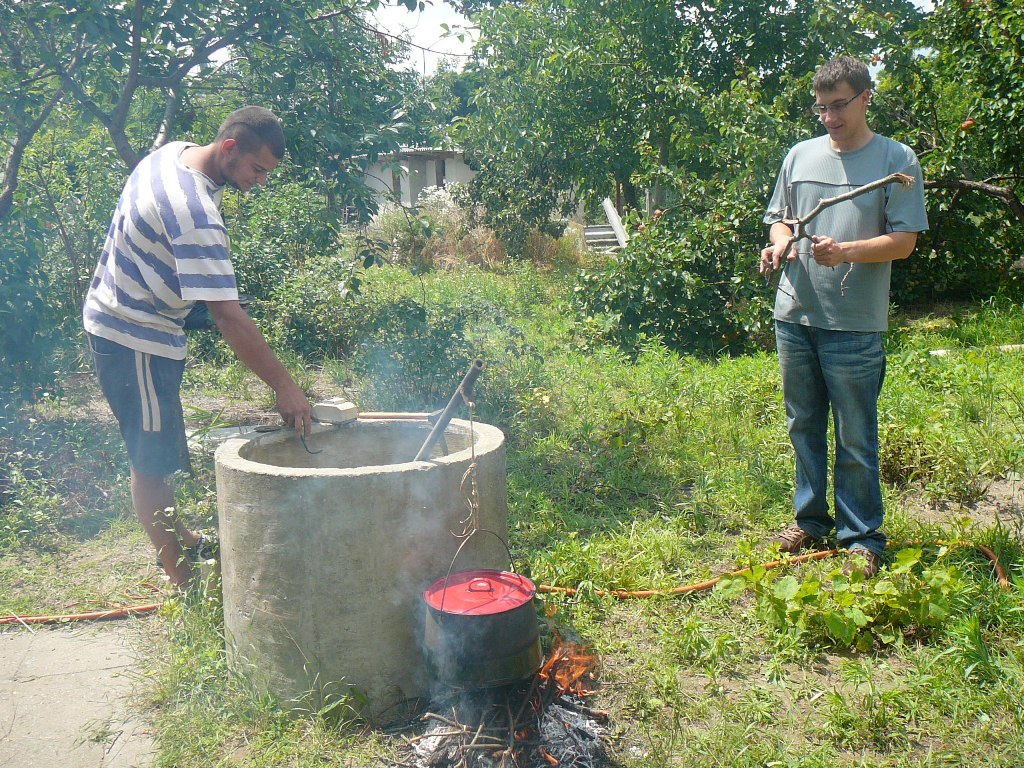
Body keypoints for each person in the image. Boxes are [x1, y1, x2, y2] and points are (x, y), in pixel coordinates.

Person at [83, 106, 314, 591]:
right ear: (230, 148)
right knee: (153, 462)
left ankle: (182, 539)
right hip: (132, 334)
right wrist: (286, 387)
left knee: (158, 446)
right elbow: (228, 316)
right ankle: (184, 580)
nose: (260, 182)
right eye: (257, 170)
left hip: (131, 307)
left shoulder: (172, 154)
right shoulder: (196, 214)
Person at [759, 57, 928, 578]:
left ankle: (862, 537)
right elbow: (779, 220)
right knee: (802, 423)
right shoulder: (800, 156)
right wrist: (782, 243)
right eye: (822, 108)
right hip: (796, 315)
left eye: (840, 106)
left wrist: (848, 250)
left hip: (854, 323)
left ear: (865, 98)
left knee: (856, 433)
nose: (830, 117)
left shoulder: (896, 159)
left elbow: (905, 241)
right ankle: (810, 522)